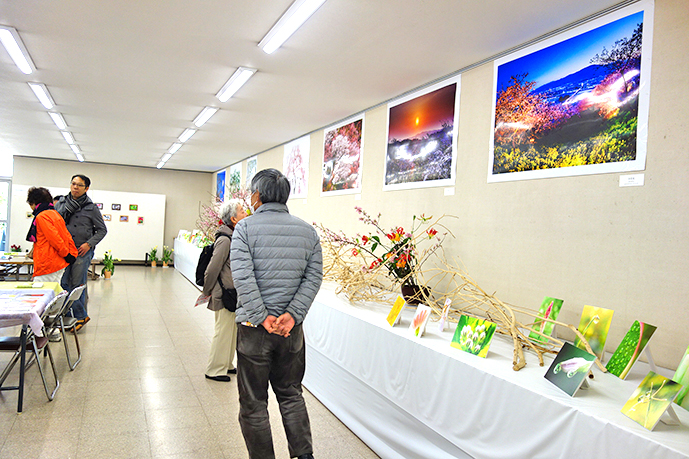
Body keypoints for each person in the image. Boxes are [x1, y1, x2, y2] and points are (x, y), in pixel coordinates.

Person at [231, 168, 323, 459]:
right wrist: (293, 315)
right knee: (291, 394)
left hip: (253, 330)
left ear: (257, 196)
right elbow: (314, 277)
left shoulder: (244, 228)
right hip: (290, 332)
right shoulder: (308, 231)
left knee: (254, 403)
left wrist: (262, 316)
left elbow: (243, 277)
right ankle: (304, 456)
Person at [54, 174, 107, 331]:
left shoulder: (91, 208)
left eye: (79, 185)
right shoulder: (61, 203)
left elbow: (102, 230)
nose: (75, 187)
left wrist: (88, 244)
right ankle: (66, 316)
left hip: (81, 251)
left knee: (78, 283)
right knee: (63, 283)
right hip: (63, 250)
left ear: (86, 188)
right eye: (73, 184)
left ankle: (81, 316)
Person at [203, 199, 247, 382]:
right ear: (234, 218)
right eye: (242, 211)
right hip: (224, 293)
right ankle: (215, 369)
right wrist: (207, 290)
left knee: (231, 331)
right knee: (223, 331)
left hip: (233, 293)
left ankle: (227, 364)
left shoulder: (234, 235)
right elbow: (213, 268)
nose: (246, 213)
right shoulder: (225, 239)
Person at [25, 187, 78, 282]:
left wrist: (66, 254)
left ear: (34, 203)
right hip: (59, 262)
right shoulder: (55, 214)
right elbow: (67, 236)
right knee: (55, 293)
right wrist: (71, 254)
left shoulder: (42, 216)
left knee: (41, 294)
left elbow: (55, 239)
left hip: (48, 264)